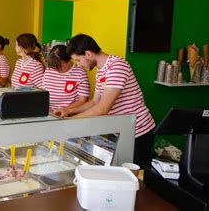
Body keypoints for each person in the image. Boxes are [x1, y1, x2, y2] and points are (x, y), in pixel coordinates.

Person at [54, 34, 155, 167]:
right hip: (119, 130)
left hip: (137, 131)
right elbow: (94, 102)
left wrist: (71, 121)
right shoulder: (101, 70)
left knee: (134, 177)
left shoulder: (117, 66)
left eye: (78, 60)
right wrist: (68, 111)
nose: (78, 65)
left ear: (88, 54)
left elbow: (102, 108)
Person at [42, 44, 90, 113]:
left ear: (69, 59)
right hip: (48, 113)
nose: (56, 69)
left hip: (69, 113)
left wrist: (65, 110)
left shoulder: (80, 73)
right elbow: (43, 93)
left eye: (59, 66)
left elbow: (83, 100)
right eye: (54, 66)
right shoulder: (49, 70)